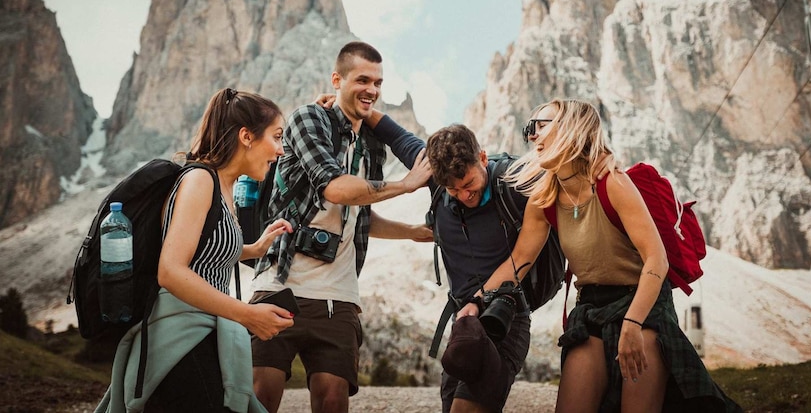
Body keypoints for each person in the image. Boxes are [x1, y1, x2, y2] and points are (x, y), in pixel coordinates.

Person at [467, 98, 742, 412]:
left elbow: (657, 260)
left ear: (572, 129)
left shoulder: (613, 184)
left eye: (541, 126)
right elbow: (519, 261)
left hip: (642, 305)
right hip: (590, 309)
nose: (532, 136)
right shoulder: (544, 199)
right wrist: (476, 301)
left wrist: (633, 323)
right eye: (530, 128)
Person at [250, 41, 433, 413]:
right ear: (337, 79)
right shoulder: (307, 120)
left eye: (378, 82)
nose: (372, 89)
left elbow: (360, 214)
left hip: (340, 296)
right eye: (362, 79)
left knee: (333, 401)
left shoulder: (371, 143)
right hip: (281, 285)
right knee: (258, 398)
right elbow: (335, 188)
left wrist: (411, 231)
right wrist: (405, 185)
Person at [96, 87, 297, 412]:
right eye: (275, 137)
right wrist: (248, 315)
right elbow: (171, 271)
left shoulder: (224, 187)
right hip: (180, 340)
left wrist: (255, 248)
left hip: (204, 332)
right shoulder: (200, 180)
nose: (280, 150)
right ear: (246, 136)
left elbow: (203, 251)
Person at [367, 111, 531, 413]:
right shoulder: (438, 179)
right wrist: (354, 106)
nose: (464, 195)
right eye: (453, 190)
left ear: (482, 157)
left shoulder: (513, 183)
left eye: (469, 183)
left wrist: (480, 301)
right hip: (464, 323)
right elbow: (396, 136)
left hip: (504, 319)